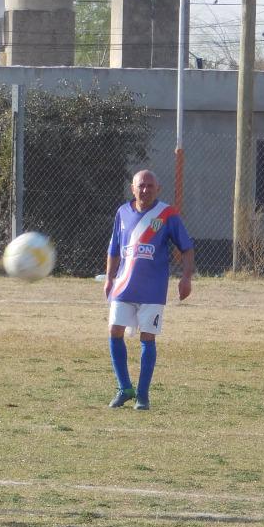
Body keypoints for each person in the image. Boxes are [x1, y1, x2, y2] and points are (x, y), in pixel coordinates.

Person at [102, 169, 194, 411]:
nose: (145, 190)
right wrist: (109, 278)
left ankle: (142, 395)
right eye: (141, 185)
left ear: (157, 189)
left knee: (147, 336)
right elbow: (113, 249)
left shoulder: (167, 214)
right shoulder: (122, 213)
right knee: (114, 330)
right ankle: (124, 388)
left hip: (153, 288)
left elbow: (186, 248)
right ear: (133, 188)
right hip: (123, 285)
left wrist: (186, 278)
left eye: (150, 186)